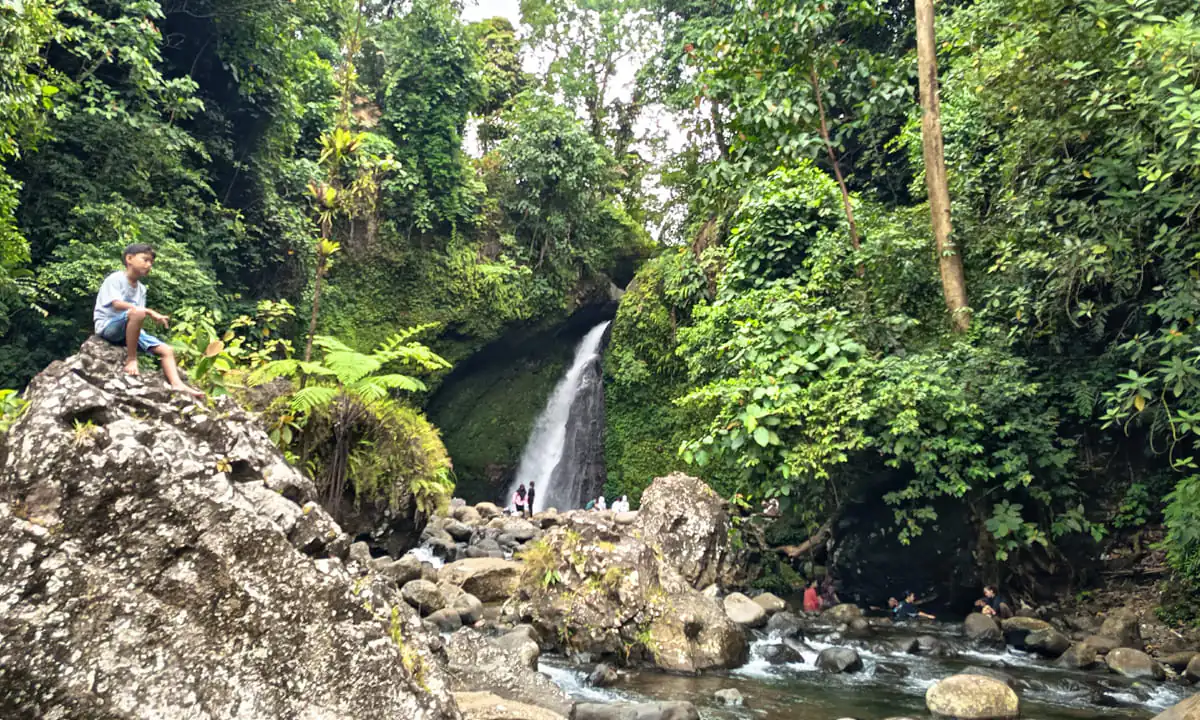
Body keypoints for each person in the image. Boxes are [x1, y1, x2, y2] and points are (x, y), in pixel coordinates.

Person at [94, 243, 203, 398]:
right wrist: (150, 312)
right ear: (129, 258)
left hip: (129, 327)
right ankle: (131, 359)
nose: (149, 265)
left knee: (167, 350)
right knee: (138, 312)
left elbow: (137, 316)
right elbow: (117, 304)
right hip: (108, 326)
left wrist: (144, 314)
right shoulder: (115, 279)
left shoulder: (141, 289)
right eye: (145, 260)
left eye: (151, 262)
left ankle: (177, 385)